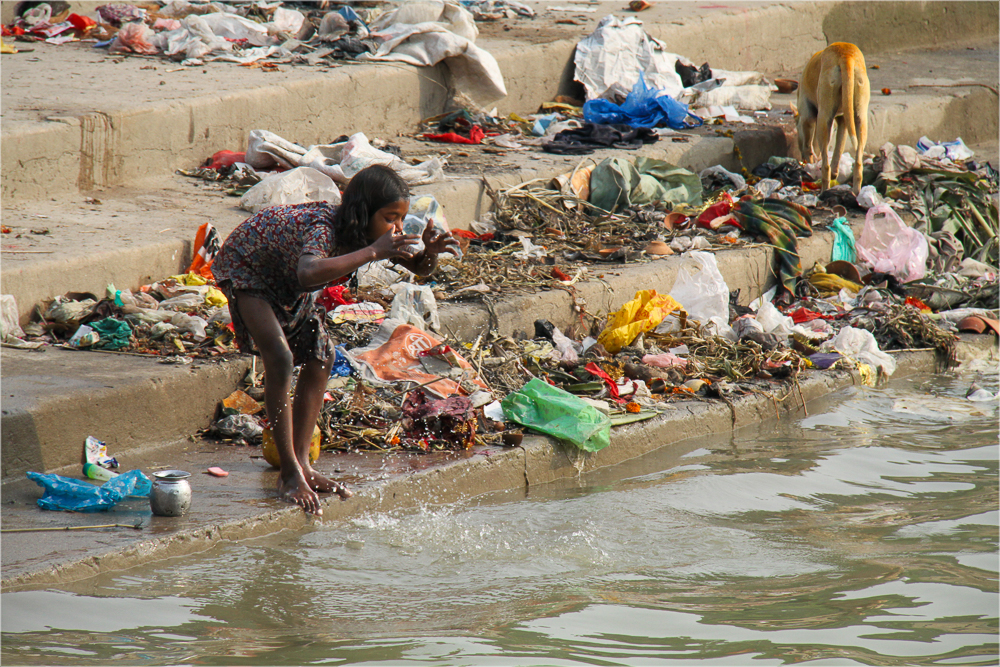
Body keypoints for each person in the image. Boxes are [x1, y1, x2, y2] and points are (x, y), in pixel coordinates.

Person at [212, 164, 457, 514]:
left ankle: (303, 465)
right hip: (248, 267)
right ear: (363, 213)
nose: (397, 228)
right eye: (390, 218)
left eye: (401, 219)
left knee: (322, 357)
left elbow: (419, 269)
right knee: (279, 358)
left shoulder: (369, 235)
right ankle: (289, 473)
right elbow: (308, 272)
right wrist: (375, 252)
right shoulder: (324, 228)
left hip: (286, 280)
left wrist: (430, 252)